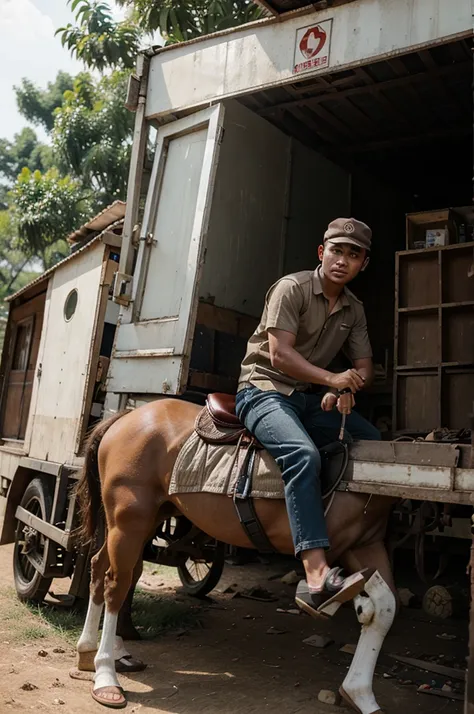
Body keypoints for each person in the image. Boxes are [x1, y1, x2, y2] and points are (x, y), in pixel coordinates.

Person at [235, 218, 381, 617]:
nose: (343, 261)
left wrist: (343, 388)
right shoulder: (291, 288)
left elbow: (365, 368)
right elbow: (280, 354)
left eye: (354, 255)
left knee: (371, 442)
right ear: (322, 253)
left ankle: (355, 540)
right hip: (262, 390)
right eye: (337, 251)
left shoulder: (355, 309)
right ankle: (315, 575)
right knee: (303, 456)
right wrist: (332, 377)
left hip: (308, 397)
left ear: (362, 265)